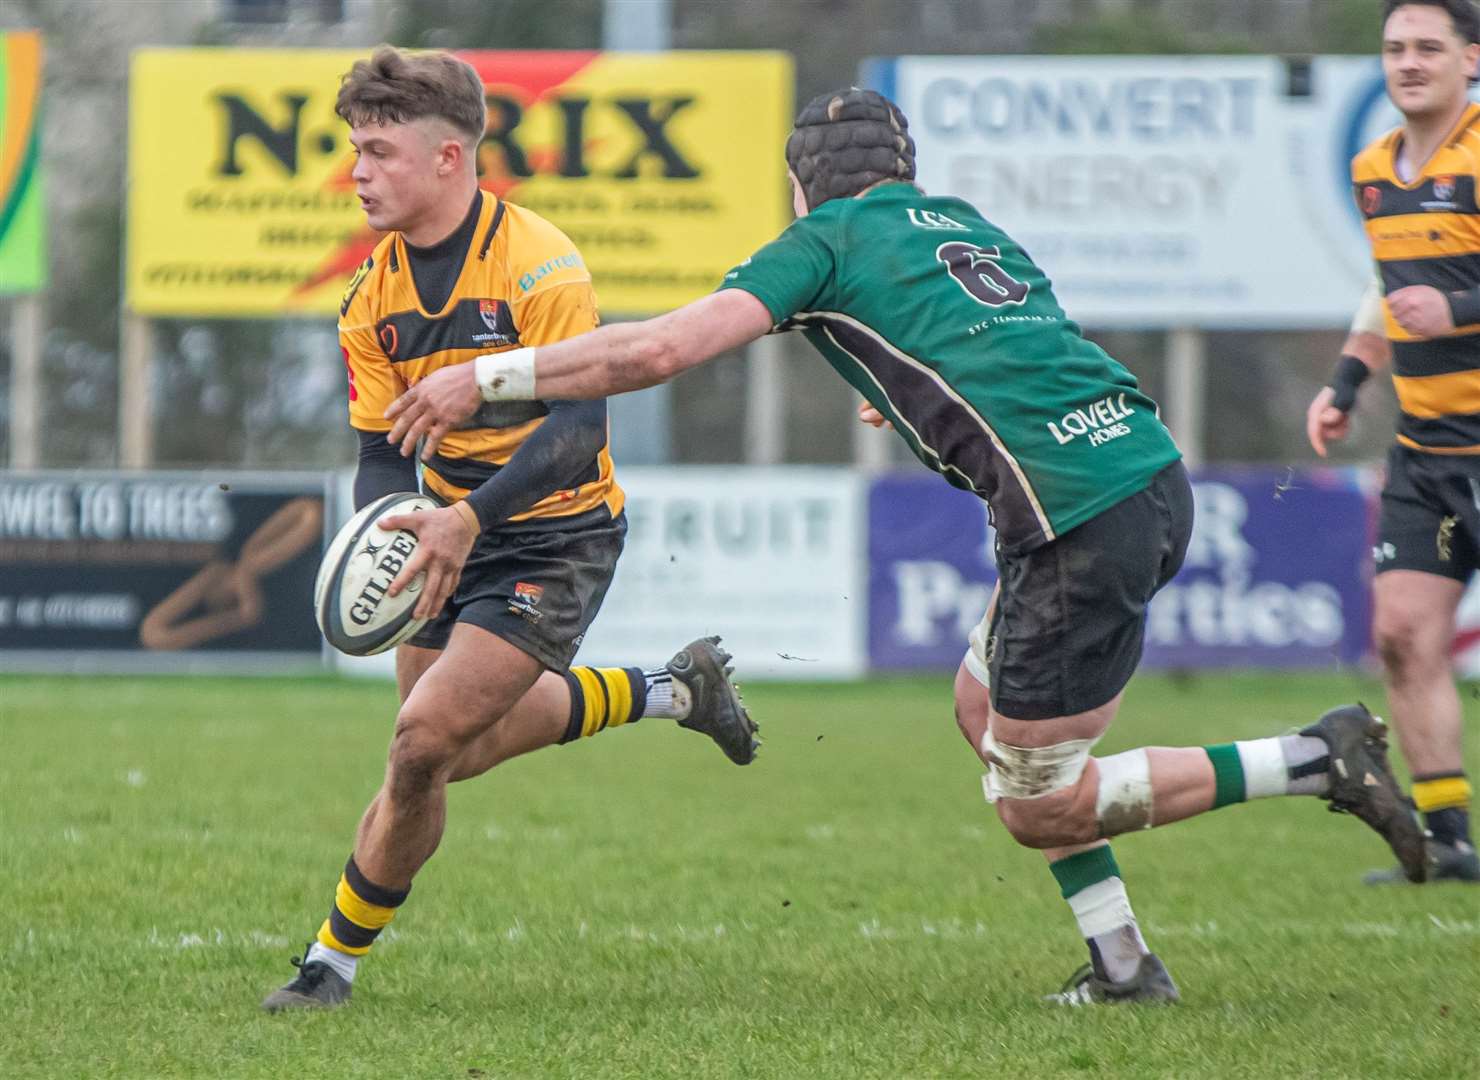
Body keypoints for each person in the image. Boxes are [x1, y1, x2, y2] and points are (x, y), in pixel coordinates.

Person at [387, 86, 1429, 1004]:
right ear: (903, 172)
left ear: (802, 190)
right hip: (1137, 471)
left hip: (1075, 523)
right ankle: (1122, 967)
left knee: (1038, 801)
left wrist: (489, 377)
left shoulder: (824, 240)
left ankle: (1308, 758)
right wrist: (909, 394)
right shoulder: (958, 223)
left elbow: (659, 348)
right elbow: (1017, 343)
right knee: (981, 710)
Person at [261, 47, 758, 1013]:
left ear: (450, 158)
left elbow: (579, 431)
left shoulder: (538, 262)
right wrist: (398, 525)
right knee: (450, 754)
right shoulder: (370, 297)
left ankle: (331, 964)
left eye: (377, 151)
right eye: (351, 150)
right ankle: (671, 691)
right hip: (449, 530)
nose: (356, 173)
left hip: (555, 532)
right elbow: (380, 447)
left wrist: (466, 520)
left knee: (416, 744)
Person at [1307, 0, 1480, 885]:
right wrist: (1347, 379)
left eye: (1428, 47)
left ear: (1472, 59)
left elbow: (1445, 294)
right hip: (1428, 452)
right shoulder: (1374, 168)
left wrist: (1461, 306)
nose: (1408, 62)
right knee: (1406, 636)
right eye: (1394, 49)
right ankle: (1449, 840)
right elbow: (1387, 289)